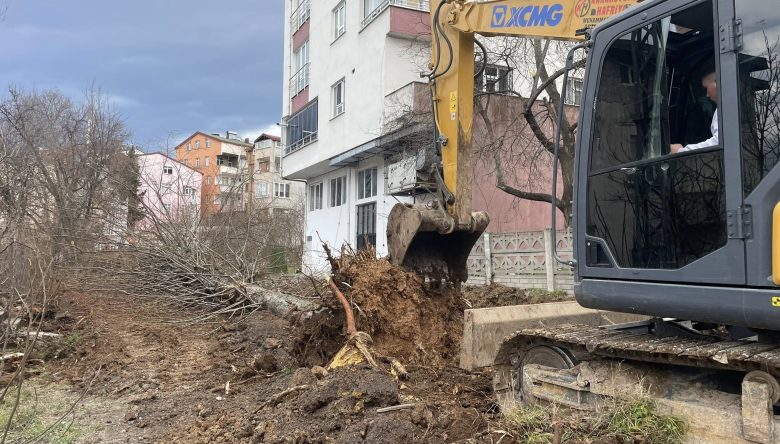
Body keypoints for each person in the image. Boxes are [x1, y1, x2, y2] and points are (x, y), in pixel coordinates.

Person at [670, 72, 718, 154]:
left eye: (706, 88)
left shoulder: (726, 106)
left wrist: (681, 151)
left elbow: (719, 142)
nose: (707, 95)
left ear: (716, 82)